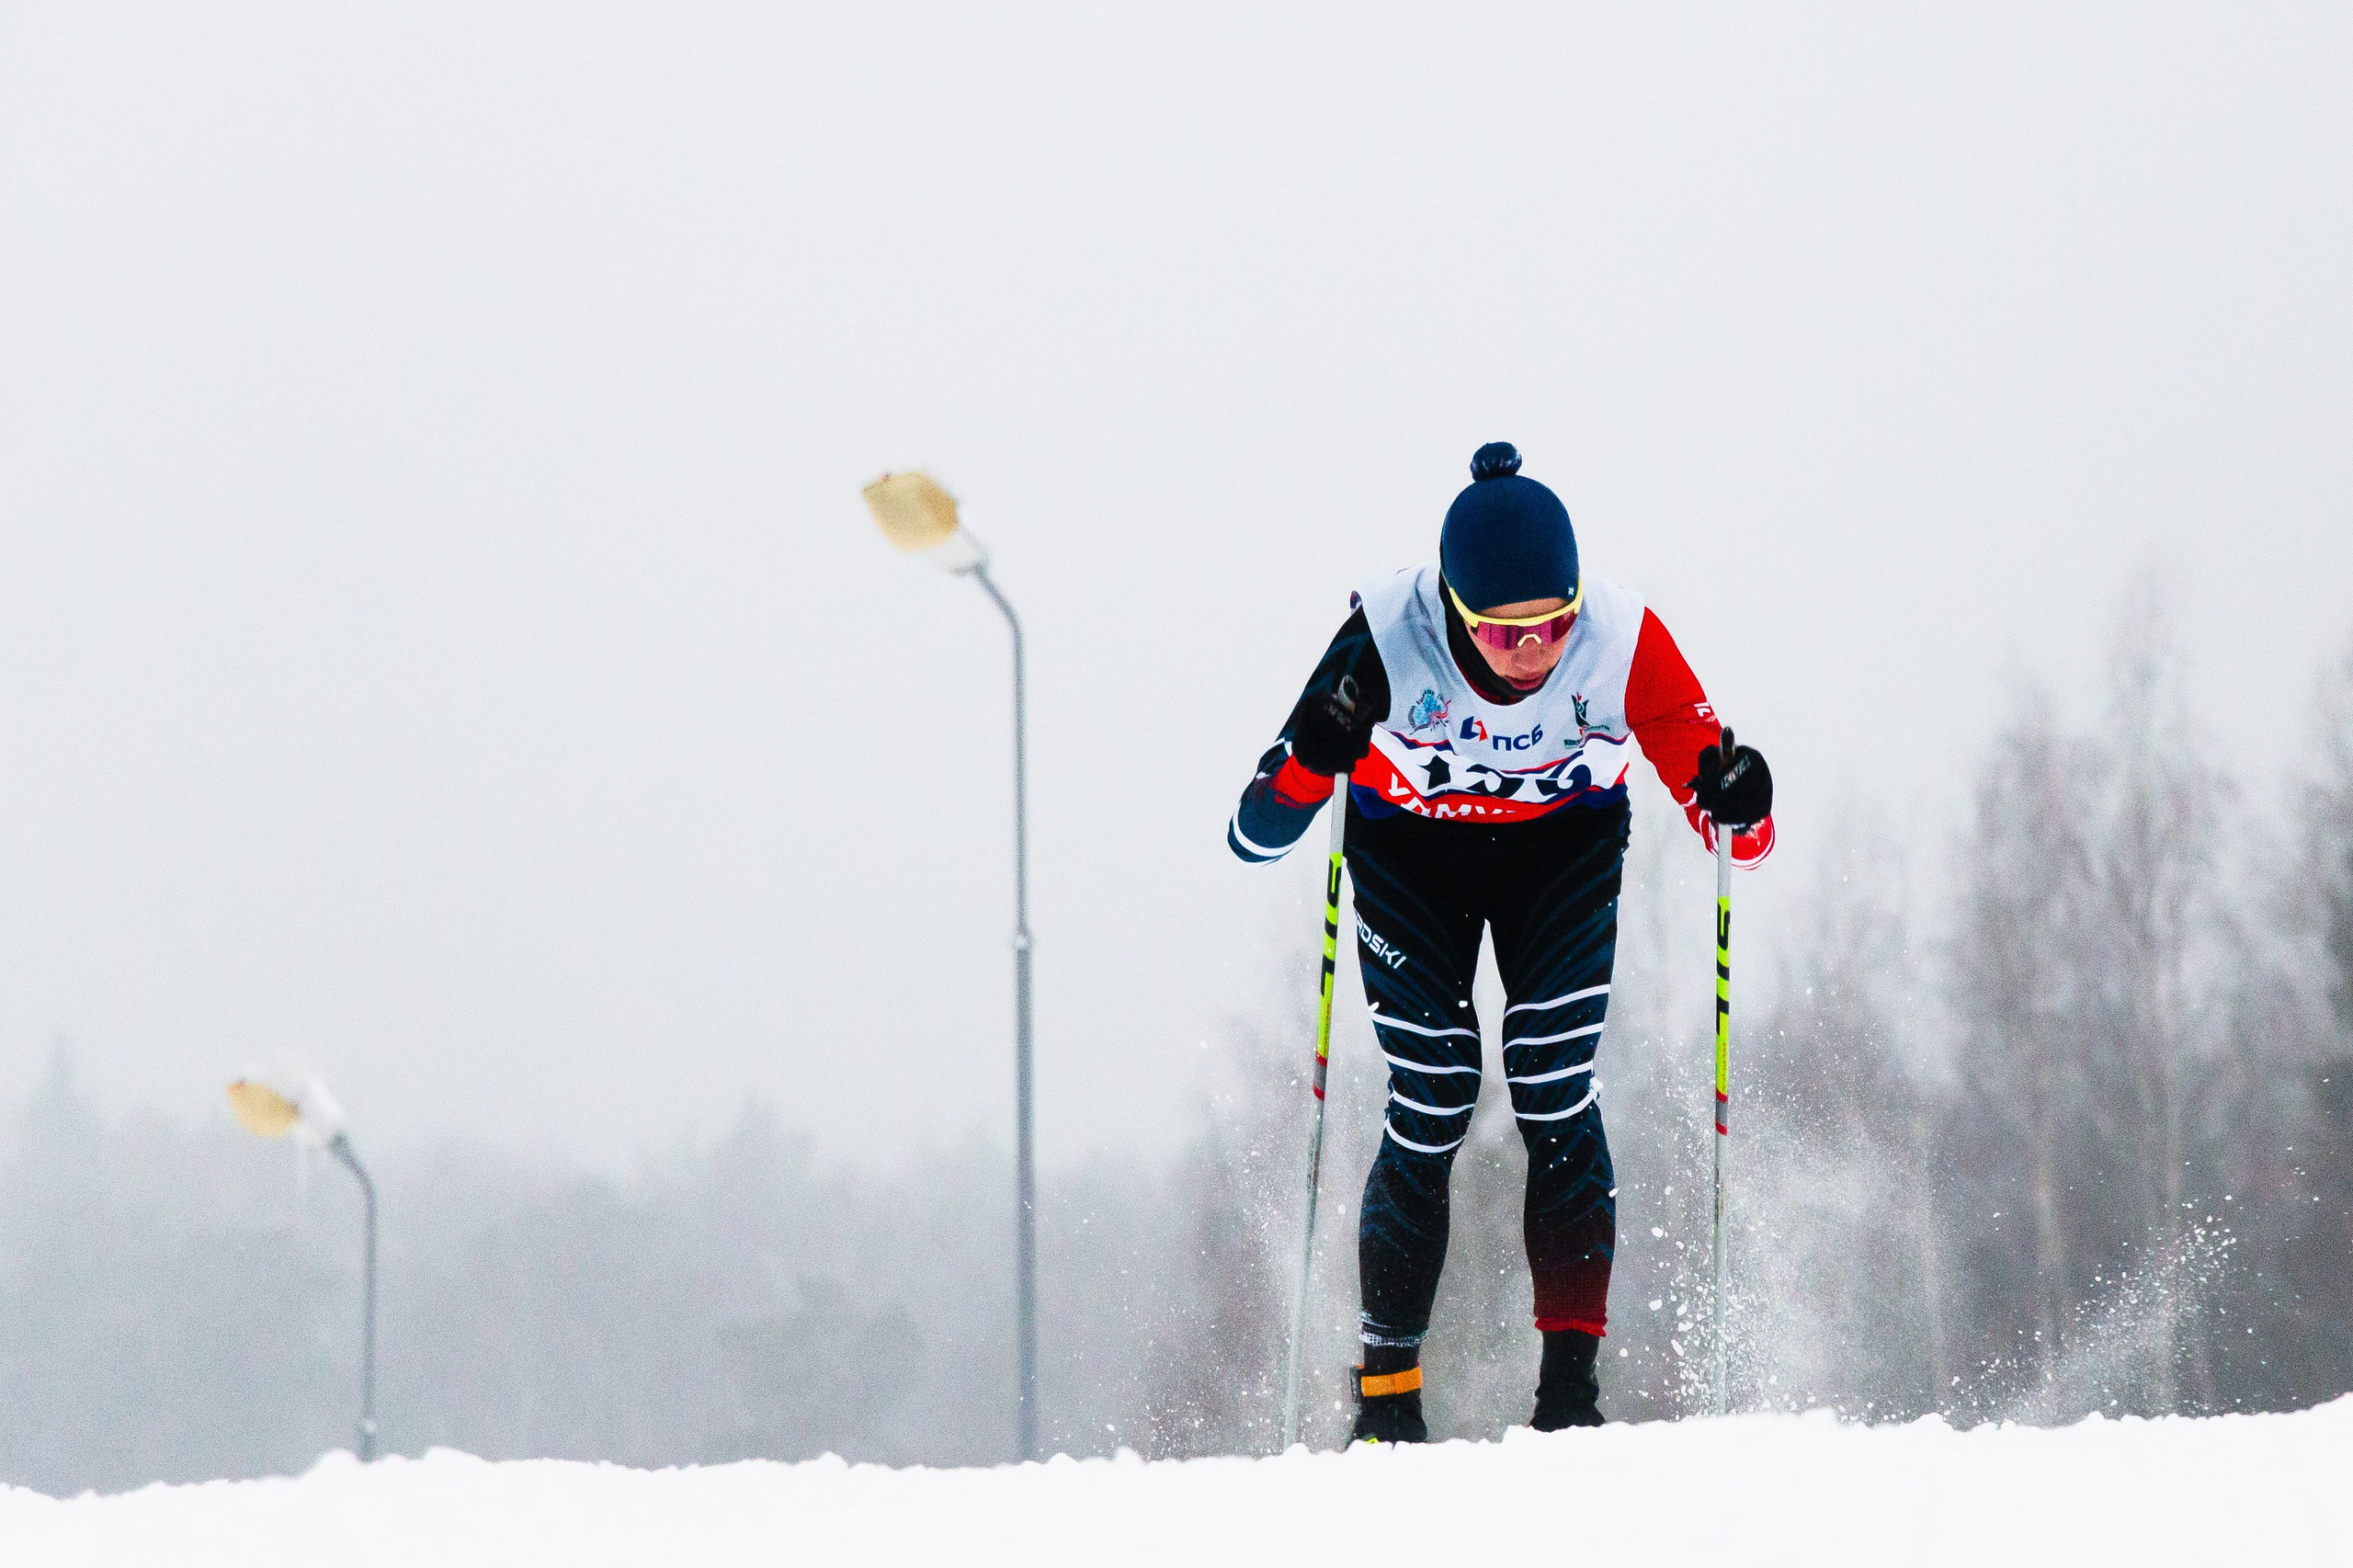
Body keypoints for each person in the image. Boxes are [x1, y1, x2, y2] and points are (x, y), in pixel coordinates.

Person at [1226, 441, 1775, 1440]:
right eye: (1506, 631)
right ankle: (1387, 1399)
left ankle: (1569, 1394)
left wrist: (1740, 795)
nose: (1537, 650)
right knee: (1433, 1090)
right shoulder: (1385, 637)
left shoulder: (1621, 638)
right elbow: (1253, 833)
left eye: (1553, 623)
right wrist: (1314, 756)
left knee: (1551, 1077)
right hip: (1412, 860)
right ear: (1452, 608)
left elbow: (1735, 824)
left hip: (1556, 856)